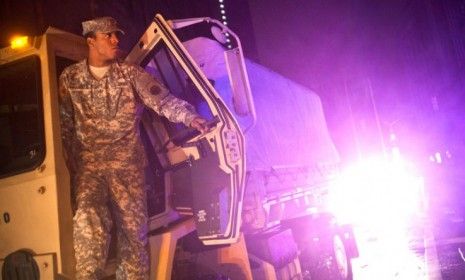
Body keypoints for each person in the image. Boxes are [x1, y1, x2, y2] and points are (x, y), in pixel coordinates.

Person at [58, 16, 208, 280]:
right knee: (88, 224)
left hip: (127, 170)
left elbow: (162, 101)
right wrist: (74, 166)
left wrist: (189, 117)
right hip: (90, 171)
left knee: (133, 236)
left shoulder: (131, 75)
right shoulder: (70, 79)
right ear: (91, 41)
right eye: (109, 36)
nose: (116, 40)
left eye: (117, 34)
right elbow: (66, 126)